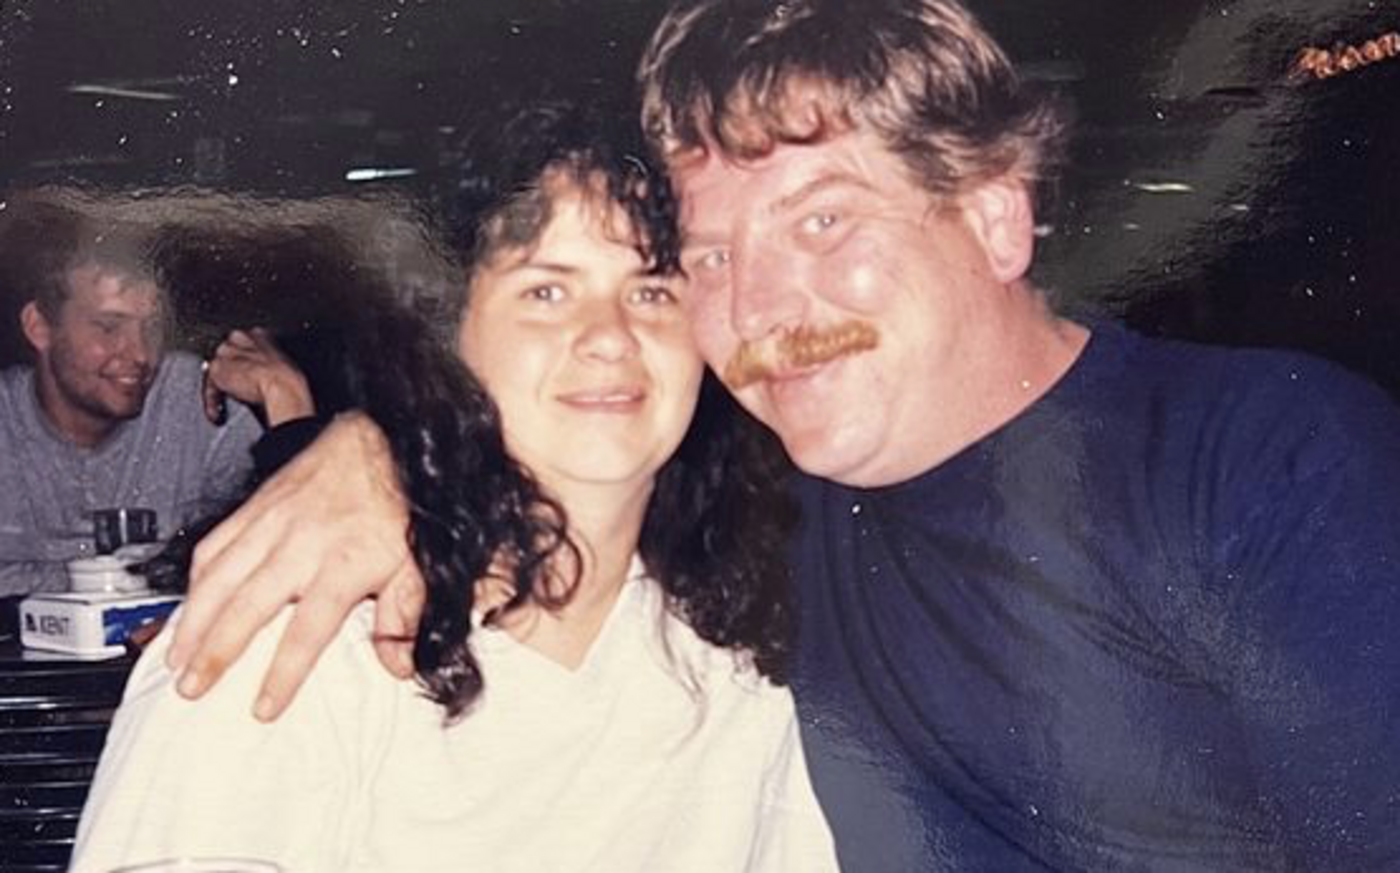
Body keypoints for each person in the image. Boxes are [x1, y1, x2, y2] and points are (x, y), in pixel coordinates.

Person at [164, 1, 1400, 870]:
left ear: (993, 219)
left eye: (819, 223)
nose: (756, 307)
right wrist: (378, 449)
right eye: (707, 258)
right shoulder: (760, 528)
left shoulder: (1264, 464)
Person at [72, 100, 837, 873]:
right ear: (451, 336)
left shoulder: (739, 660)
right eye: (547, 291)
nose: (610, 336)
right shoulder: (294, 628)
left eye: (651, 291)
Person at [0, 196, 267, 595]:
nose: (141, 354)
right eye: (109, 327)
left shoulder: (200, 400)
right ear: (39, 327)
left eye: (152, 327)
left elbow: (278, 548)